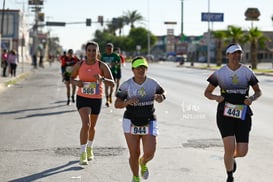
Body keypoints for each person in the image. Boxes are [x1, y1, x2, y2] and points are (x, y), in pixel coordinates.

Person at [204, 43, 262, 182]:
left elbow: (258, 91)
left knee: (242, 152)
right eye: (234, 53)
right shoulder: (220, 73)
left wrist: (252, 98)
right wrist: (216, 97)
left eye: (239, 53)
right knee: (229, 148)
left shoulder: (247, 72)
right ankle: (230, 176)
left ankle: (231, 158)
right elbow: (207, 92)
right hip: (225, 113)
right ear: (227, 55)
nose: (237, 55)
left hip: (243, 113)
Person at [114, 56, 166, 182]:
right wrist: (127, 102)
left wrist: (160, 98)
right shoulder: (126, 85)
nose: (141, 70)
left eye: (143, 67)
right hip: (130, 120)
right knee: (134, 153)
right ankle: (136, 177)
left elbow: (163, 94)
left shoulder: (153, 83)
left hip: (149, 119)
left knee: (150, 152)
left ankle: (143, 162)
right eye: (138, 67)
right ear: (133, 69)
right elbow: (117, 104)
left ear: (146, 68)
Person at [70, 41, 114, 165]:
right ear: (86, 52)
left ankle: (89, 148)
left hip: (96, 99)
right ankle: (82, 153)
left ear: (97, 52)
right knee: (86, 124)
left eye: (94, 50)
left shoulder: (102, 66)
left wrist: (102, 79)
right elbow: (71, 78)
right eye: (89, 50)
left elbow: (113, 83)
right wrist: (76, 83)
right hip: (82, 98)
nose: (91, 53)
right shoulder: (79, 65)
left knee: (92, 127)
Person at [101, 43, 121, 107]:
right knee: (106, 86)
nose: (109, 50)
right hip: (105, 73)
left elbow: (119, 62)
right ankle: (107, 99)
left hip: (113, 72)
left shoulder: (115, 55)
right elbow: (100, 63)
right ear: (106, 49)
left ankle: (110, 95)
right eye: (108, 49)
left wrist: (114, 64)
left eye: (110, 49)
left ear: (112, 49)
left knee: (112, 86)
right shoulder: (103, 55)